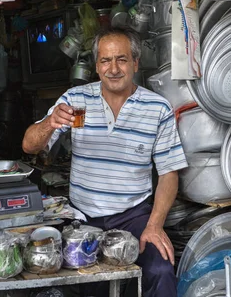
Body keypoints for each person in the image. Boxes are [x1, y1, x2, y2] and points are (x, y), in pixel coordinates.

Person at [22, 28, 188, 297]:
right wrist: (49, 124)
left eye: (121, 60)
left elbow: (169, 173)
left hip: (134, 215)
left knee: (161, 270)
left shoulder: (157, 108)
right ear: (97, 66)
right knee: (90, 283)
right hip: (83, 217)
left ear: (135, 63)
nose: (113, 69)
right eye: (105, 61)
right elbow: (30, 145)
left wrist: (154, 226)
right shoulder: (77, 102)